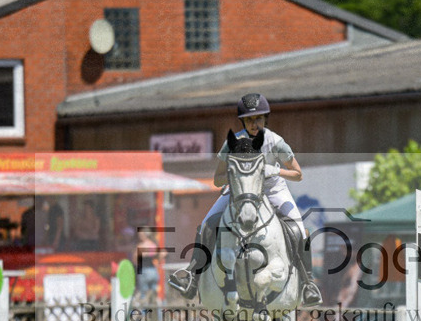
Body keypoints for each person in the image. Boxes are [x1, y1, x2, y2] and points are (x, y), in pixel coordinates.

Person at [168, 93, 322, 306]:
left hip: (273, 190)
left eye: (258, 118)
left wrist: (275, 170)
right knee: (205, 225)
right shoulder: (233, 143)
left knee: (299, 230)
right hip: (240, 192)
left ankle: (307, 284)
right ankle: (191, 277)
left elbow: (298, 174)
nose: (254, 124)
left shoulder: (276, 142)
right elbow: (217, 179)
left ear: (265, 119)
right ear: (243, 121)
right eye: (249, 120)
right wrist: (235, 177)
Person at [136, 229, 162, 298]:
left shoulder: (141, 245)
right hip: (153, 271)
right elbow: (159, 255)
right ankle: (156, 304)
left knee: (143, 294)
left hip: (144, 270)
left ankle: (145, 305)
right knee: (153, 294)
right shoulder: (153, 245)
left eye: (140, 235)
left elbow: (135, 258)